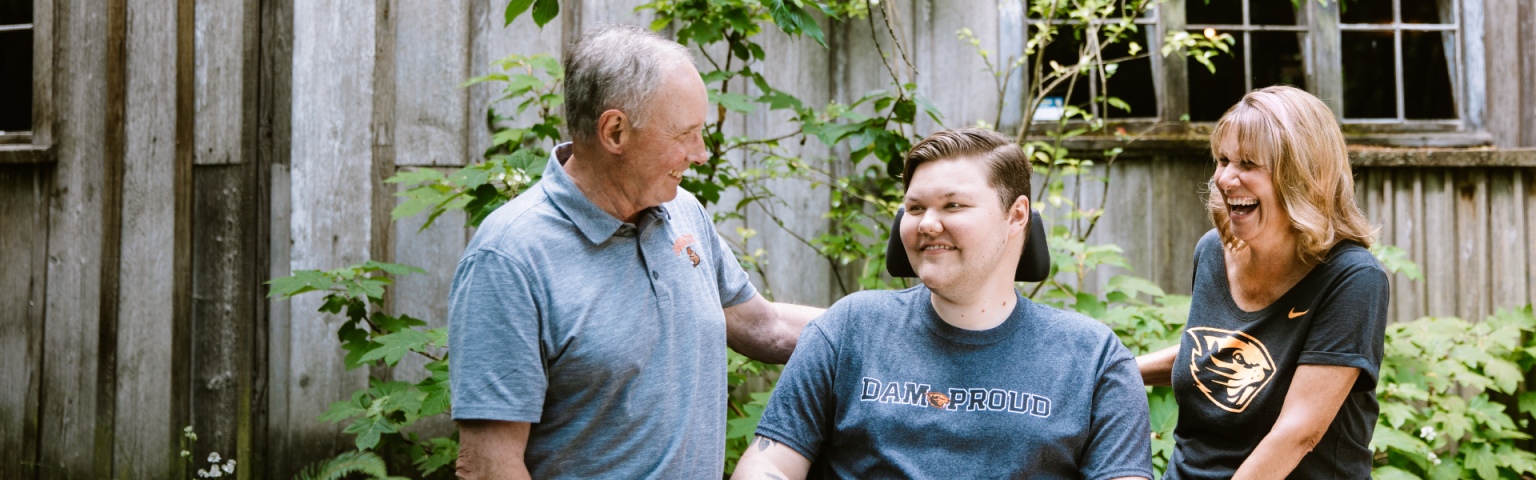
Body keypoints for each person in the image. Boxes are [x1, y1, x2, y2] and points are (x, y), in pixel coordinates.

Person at [447, 24, 824, 479]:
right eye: (686, 134)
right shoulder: (510, 257)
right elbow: (489, 466)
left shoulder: (682, 213)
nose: (701, 153)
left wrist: (890, 324)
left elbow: (764, 326)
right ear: (615, 131)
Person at [732, 128, 1153, 480]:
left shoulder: (1093, 357)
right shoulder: (849, 328)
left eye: (953, 205)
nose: (927, 224)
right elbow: (770, 463)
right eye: (915, 208)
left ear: (1017, 215)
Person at [1136, 85, 1390, 479]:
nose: (1225, 178)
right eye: (1223, 160)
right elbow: (1214, 351)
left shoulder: (1352, 278)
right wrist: (1112, 371)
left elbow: (1297, 434)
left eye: (1249, 164)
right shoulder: (1213, 252)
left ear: (1302, 175)